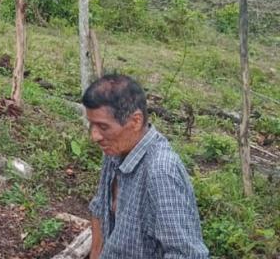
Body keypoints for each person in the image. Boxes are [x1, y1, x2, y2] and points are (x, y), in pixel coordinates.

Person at [83, 75, 209, 258]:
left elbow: (187, 254)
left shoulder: (161, 172)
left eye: (103, 126)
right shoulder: (114, 151)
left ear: (135, 121)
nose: (94, 136)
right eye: (91, 124)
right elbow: (99, 208)